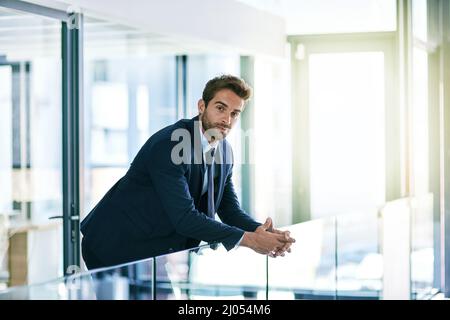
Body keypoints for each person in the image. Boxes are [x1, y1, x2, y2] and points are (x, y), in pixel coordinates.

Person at [80, 75, 295, 270]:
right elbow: (185, 217)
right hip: (114, 244)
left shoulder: (224, 150)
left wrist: (264, 234)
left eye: (234, 113)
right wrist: (251, 241)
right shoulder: (171, 144)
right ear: (202, 106)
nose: (227, 120)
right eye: (220, 108)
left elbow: (229, 210)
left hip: (155, 247)